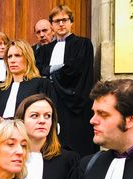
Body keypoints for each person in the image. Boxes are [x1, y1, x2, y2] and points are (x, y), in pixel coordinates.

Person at [36, 5, 96, 156]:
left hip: (75, 102)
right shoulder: (45, 50)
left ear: (71, 22)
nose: (61, 24)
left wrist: (51, 73)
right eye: (57, 21)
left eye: (64, 20)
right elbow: (39, 69)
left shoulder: (83, 44)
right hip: (52, 100)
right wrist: (59, 68)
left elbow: (75, 70)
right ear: (52, 25)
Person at [14, 94, 79, 179]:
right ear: (21, 120)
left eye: (47, 116)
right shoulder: (10, 157)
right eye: (34, 115)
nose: (42, 121)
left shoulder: (68, 160)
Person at [0, 40, 53, 126]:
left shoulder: (41, 84)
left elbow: (49, 117)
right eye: (9, 57)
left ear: (27, 58)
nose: (12, 60)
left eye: (17, 55)